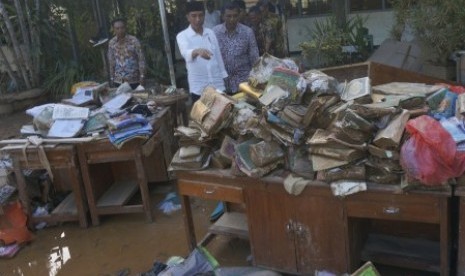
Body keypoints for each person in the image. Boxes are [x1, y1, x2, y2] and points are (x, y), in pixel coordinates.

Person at [176, 1, 228, 103]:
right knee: (203, 117)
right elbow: (186, 53)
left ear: (204, 16)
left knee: (222, 116)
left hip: (217, 84)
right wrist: (197, 51)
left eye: (201, 15)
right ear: (188, 17)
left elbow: (218, 56)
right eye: (194, 16)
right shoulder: (182, 36)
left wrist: (223, 77)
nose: (198, 19)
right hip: (199, 88)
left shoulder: (210, 33)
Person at [213, 2, 259, 94]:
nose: (232, 19)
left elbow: (255, 59)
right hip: (222, 84)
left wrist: (256, 80)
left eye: (235, 16)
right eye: (228, 16)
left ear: (239, 16)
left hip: (243, 83)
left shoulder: (247, 32)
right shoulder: (214, 32)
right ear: (223, 16)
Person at [107, 18, 146, 89]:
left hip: (133, 81)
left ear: (125, 27)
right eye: (117, 28)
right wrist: (112, 78)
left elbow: (141, 59)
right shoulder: (111, 43)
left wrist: (142, 76)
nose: (120, 30)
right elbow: (111, 62)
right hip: (118, 81)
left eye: (122, 28)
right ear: (113, 29)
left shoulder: (134, 41)